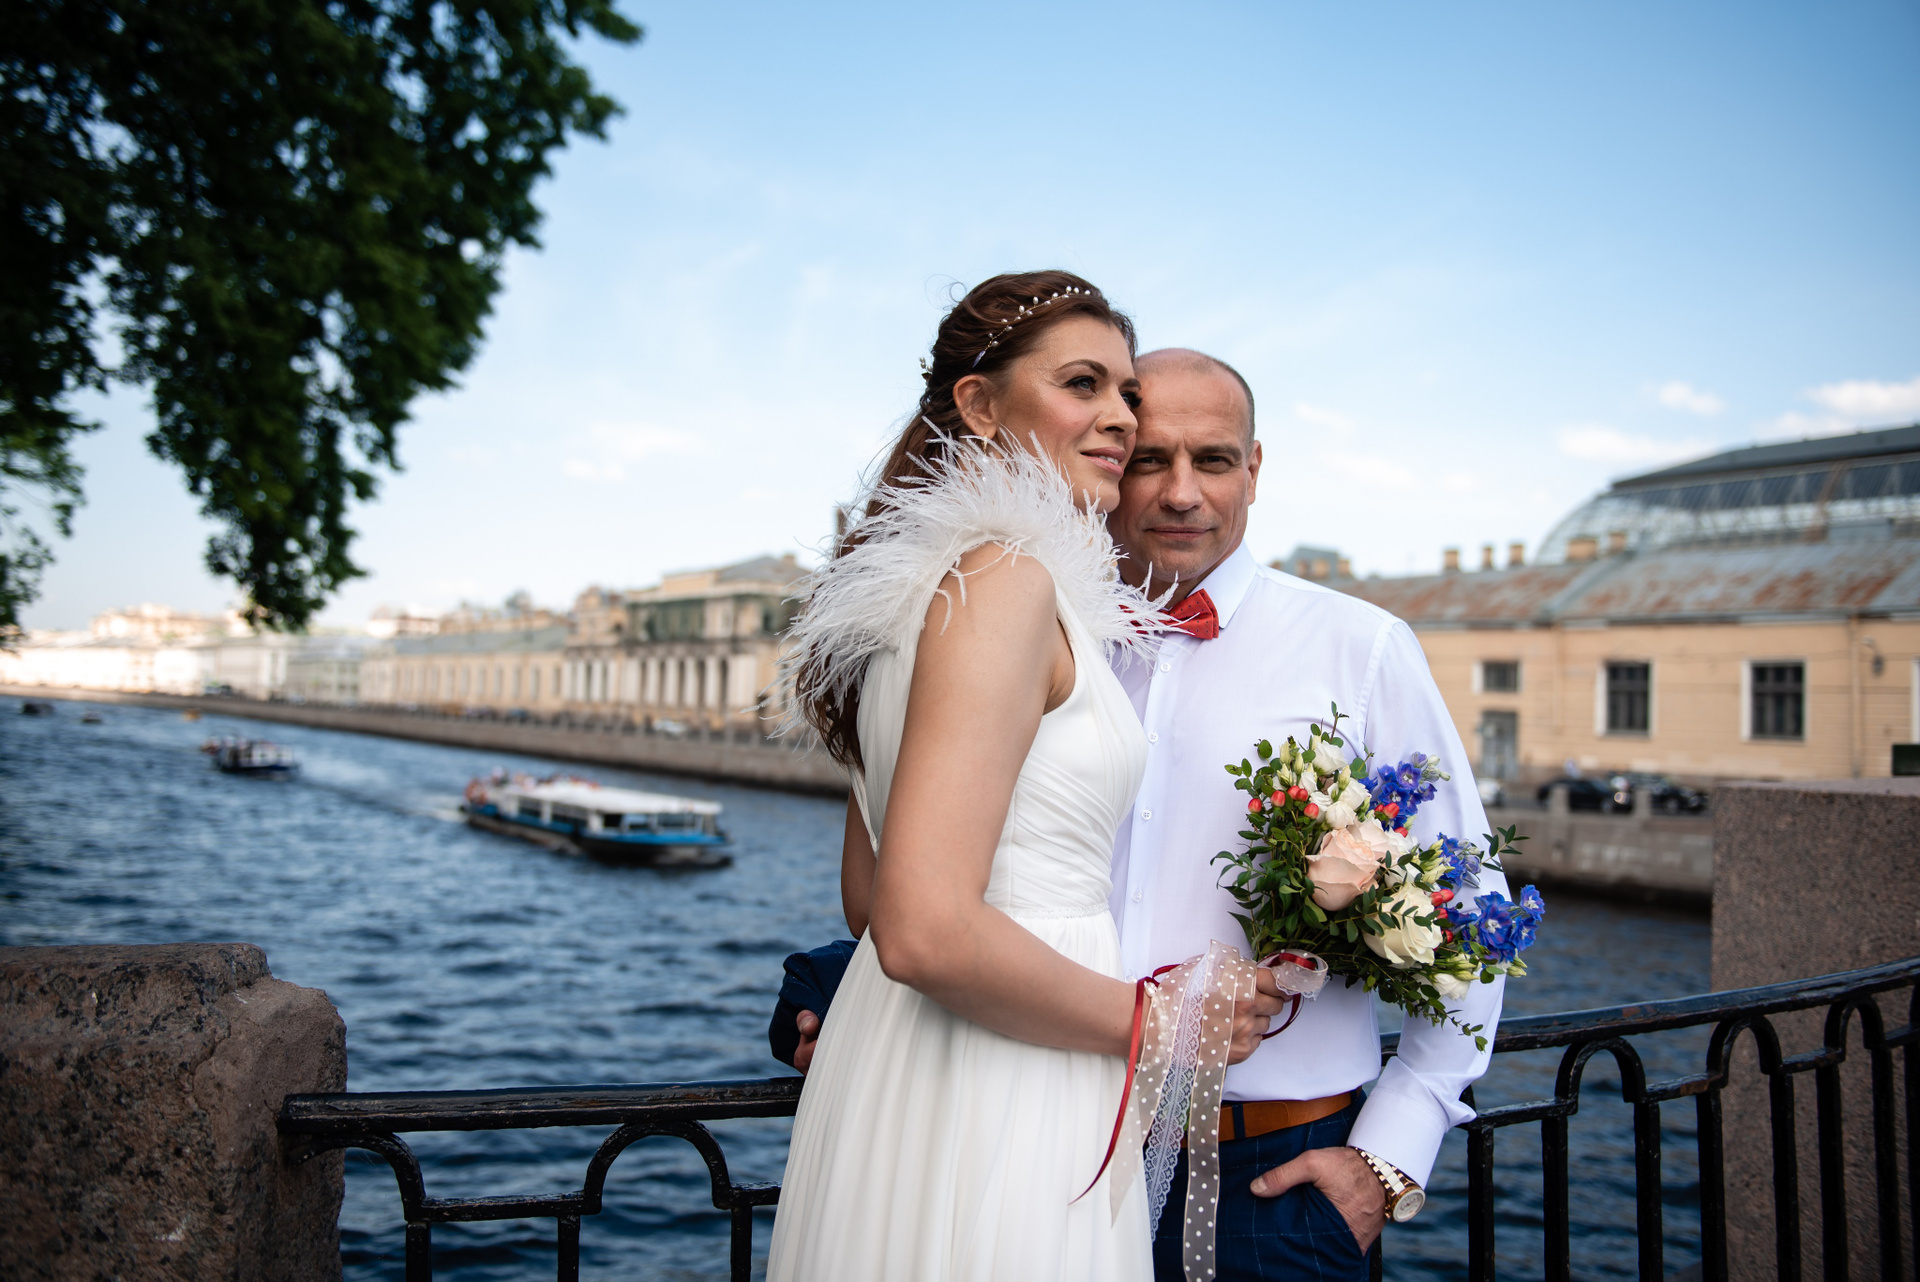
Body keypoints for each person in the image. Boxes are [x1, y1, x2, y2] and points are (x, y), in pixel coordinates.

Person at [765, 273, 1278, 1281]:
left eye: (1126, 392)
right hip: (1011, 1074)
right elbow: (920, 928)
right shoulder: (1006, 578)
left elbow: (869, 899)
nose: (1121, 417)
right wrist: (1164, 1024)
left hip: (899, 1058)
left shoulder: (908, 588)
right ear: (979, 404)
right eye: (1083, 384)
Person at [1108, 348, 1509, 1281]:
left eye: (1212, 460)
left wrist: (1390, 1154)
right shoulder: (1059, 647)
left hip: (1276, 1183)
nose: (1180, 492)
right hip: (1058, 1153)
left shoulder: (1361, 648)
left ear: (1253, 469)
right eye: (1149, 459)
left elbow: (1472, 909)